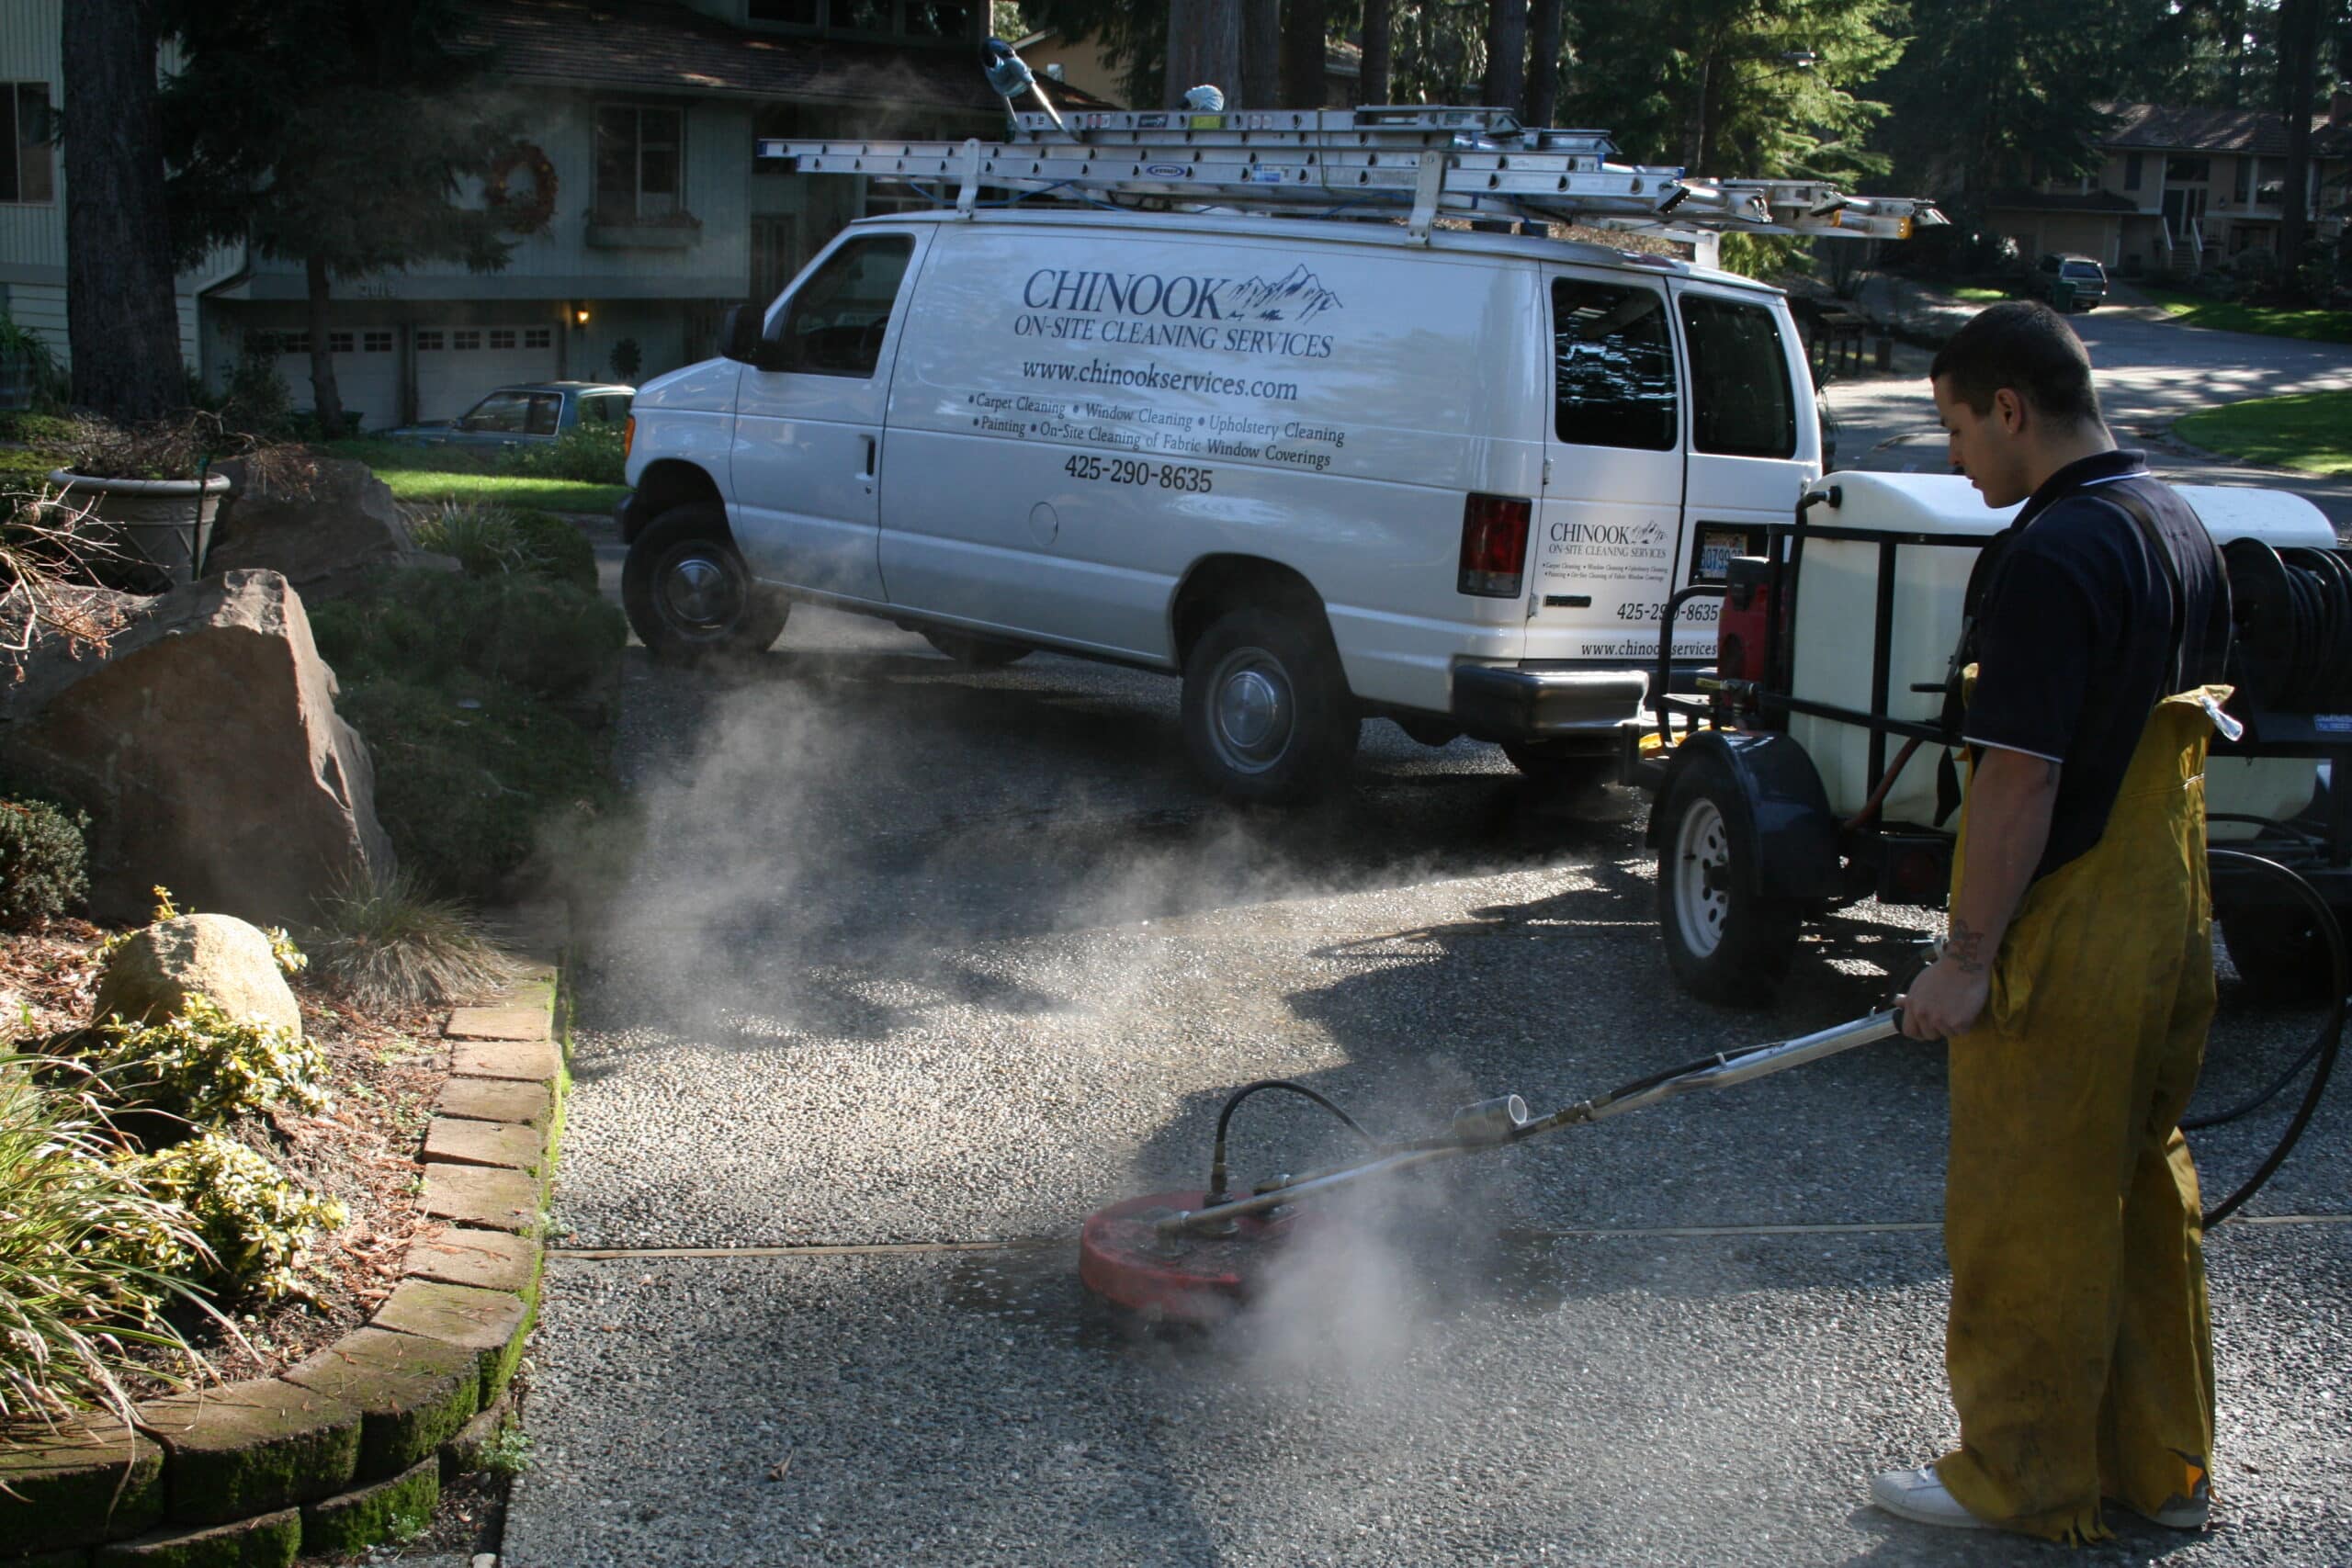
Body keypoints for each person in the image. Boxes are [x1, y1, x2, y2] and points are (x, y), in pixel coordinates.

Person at [1873, 300, 2234, 1543]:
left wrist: (1964, 962)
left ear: (2011, 410)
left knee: (2030, 1207)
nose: (1956, 457)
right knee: (2136, 1191)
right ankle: (2157, 1468)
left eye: (1958, 428)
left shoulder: (2051, 555)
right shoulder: (2178, 527)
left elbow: (2019, 780)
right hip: (2168, 919)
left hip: (2075, 933)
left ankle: (2019, 1475)